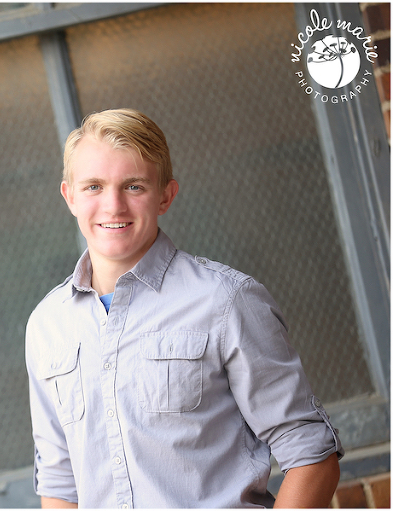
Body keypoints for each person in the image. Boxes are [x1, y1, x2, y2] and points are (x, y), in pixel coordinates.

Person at [25, 108, 342, 508]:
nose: (113, 206)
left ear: (166, 196)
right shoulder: (46, 326)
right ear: (70, 197)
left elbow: (312, 453)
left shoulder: (226, 301)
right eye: (93, 187)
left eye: (134, 186)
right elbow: (58, 481)